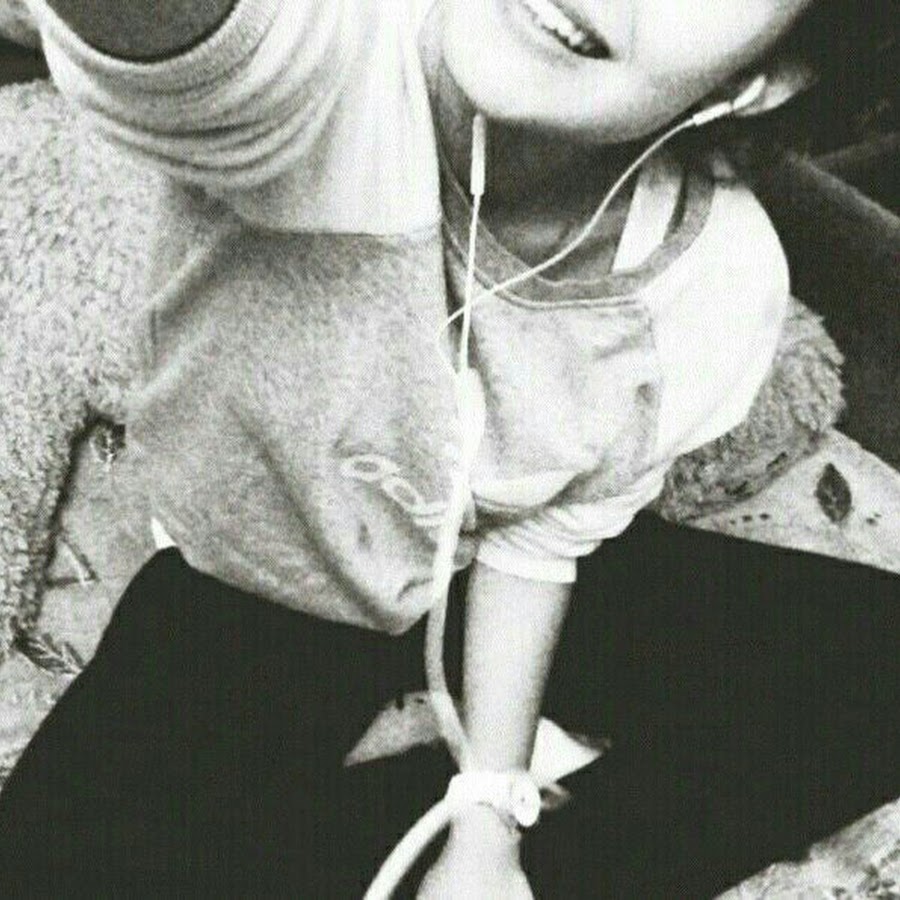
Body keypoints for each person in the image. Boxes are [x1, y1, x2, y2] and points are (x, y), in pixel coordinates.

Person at [0, 0, 897, 896]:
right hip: (258, 586)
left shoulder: (718, 287)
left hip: (472, 554)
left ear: (762, 80)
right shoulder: (329, 65)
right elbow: (195, 46)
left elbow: (542, 539)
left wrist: (488, 817)